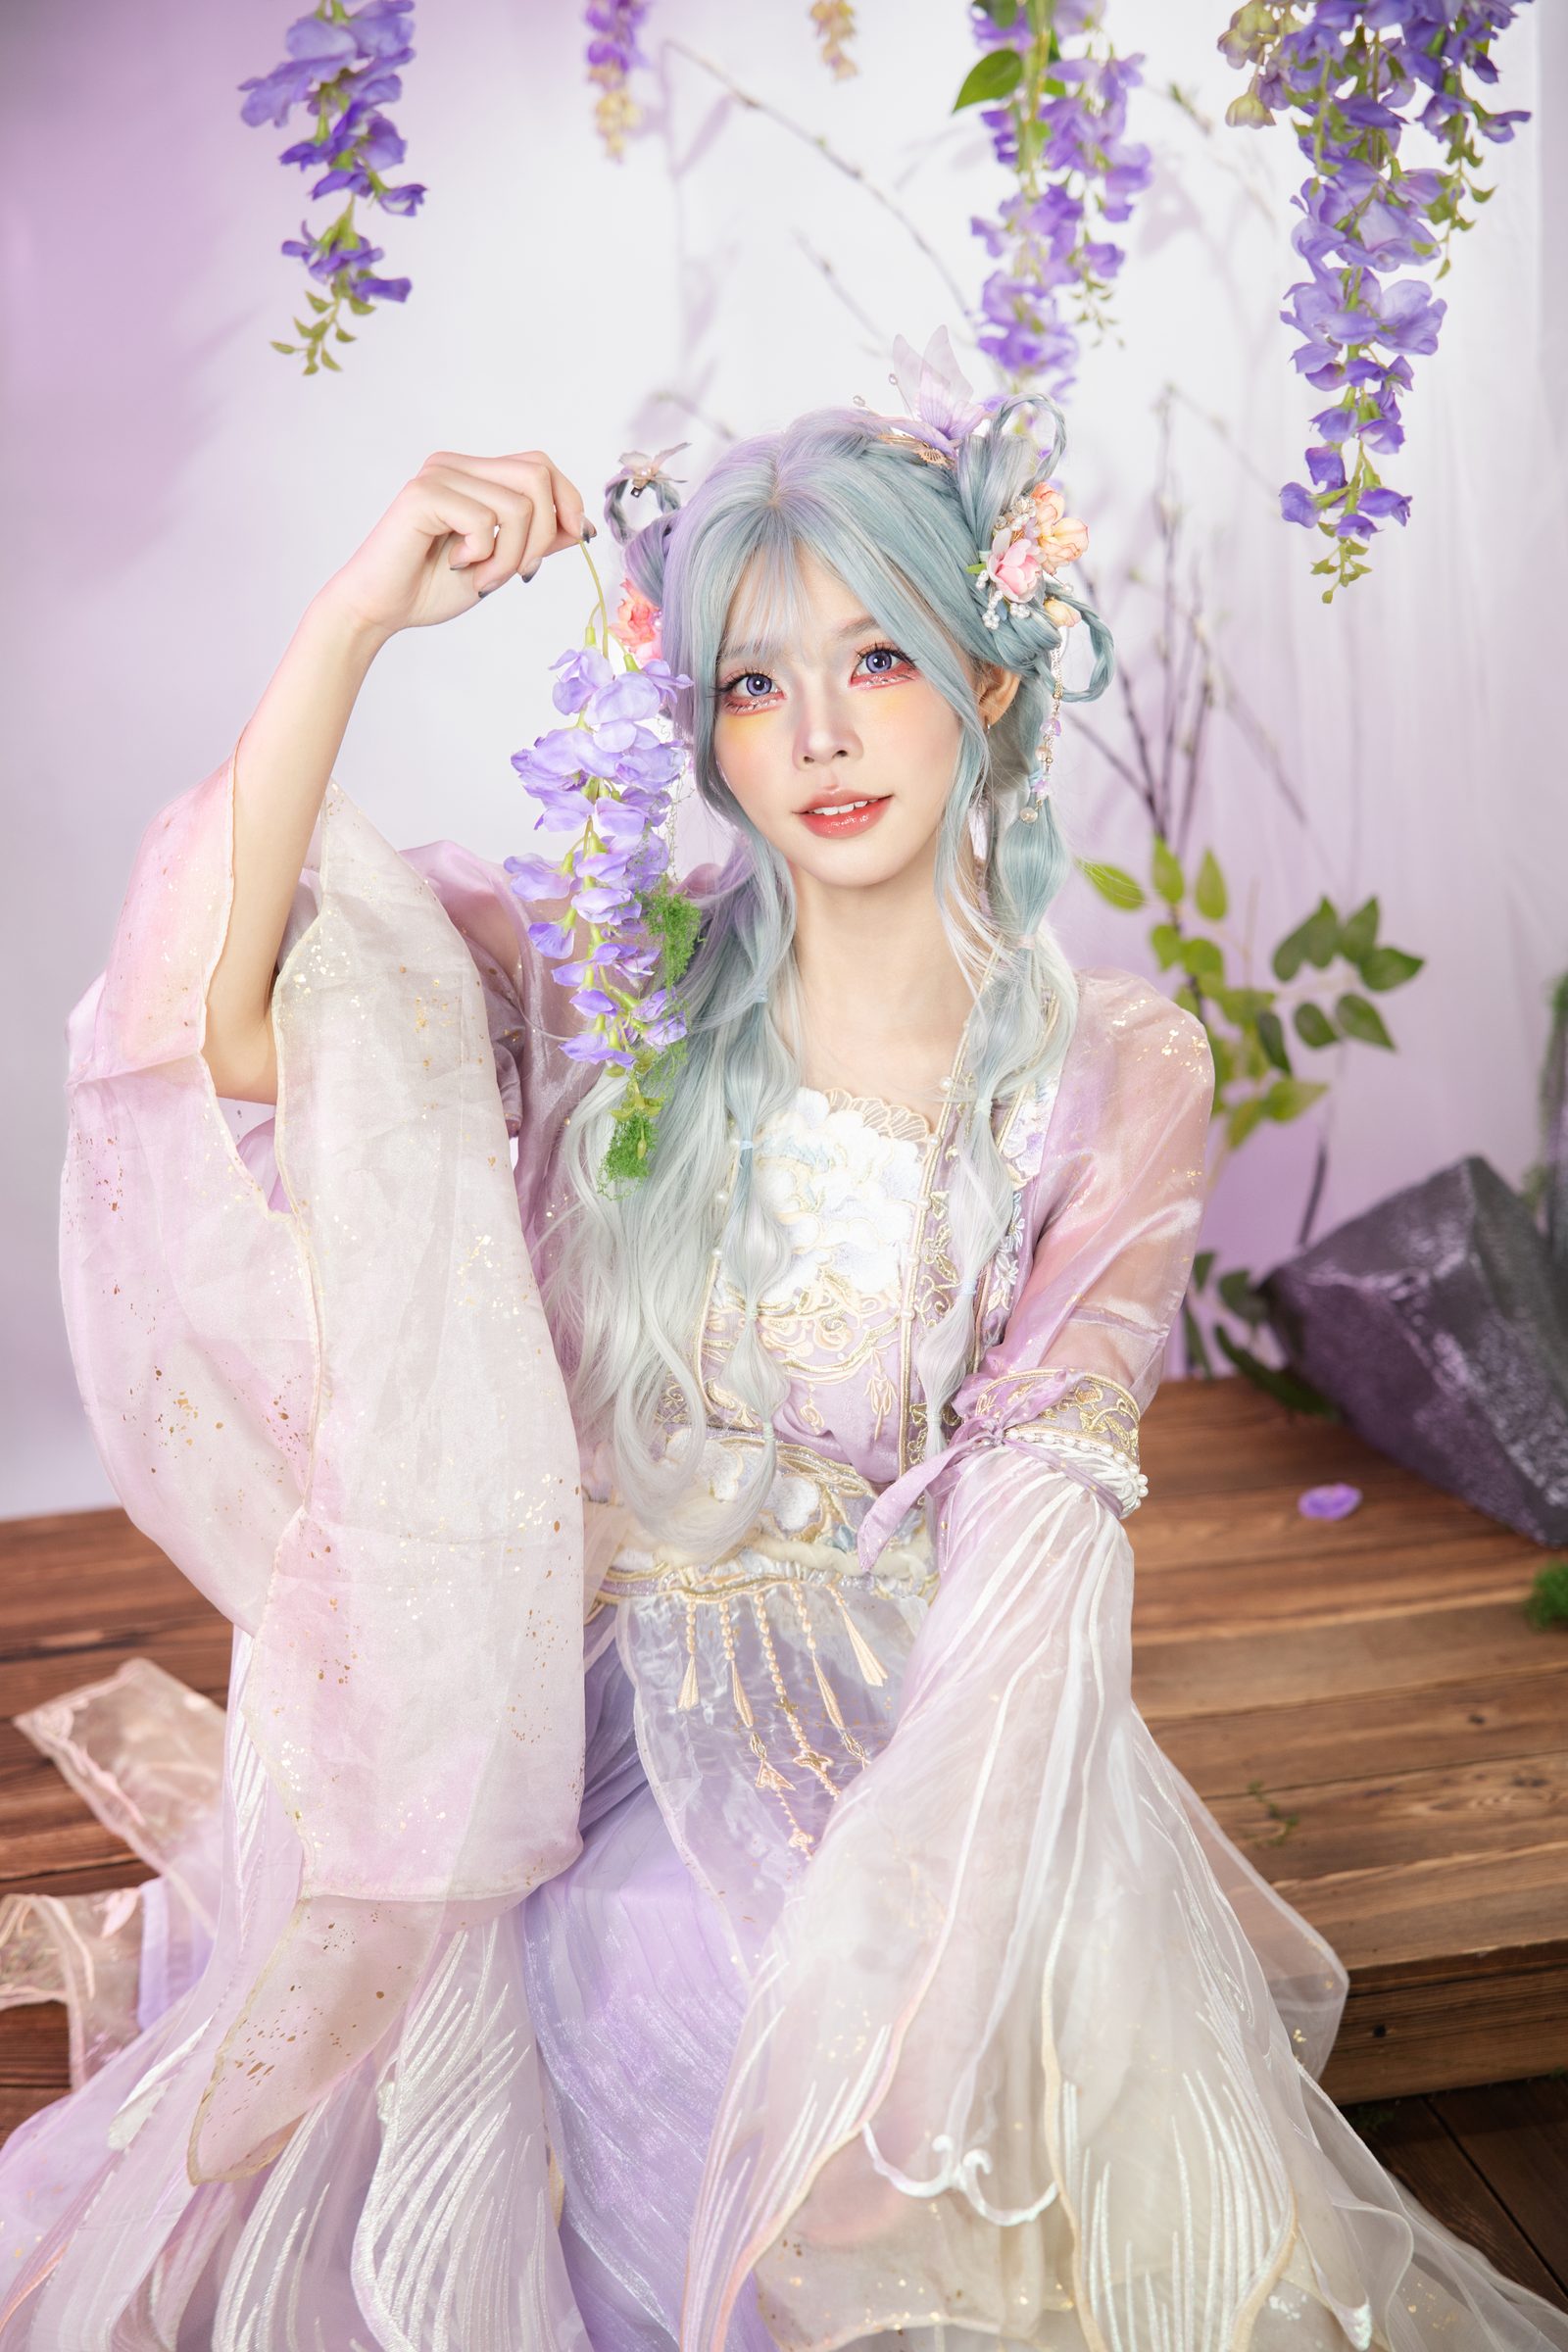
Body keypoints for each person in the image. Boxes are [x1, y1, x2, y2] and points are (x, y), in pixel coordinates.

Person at [1, 336, 1563, 2352]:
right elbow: (219, 1032)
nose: (818, 731)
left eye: (877, 656)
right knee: (641, 1947)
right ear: (707, 737)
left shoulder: (1108, 1070)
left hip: (915, 1700)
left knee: (837, 1985)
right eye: (752, 683)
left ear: (989, 678)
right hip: (566, 1700)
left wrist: (939, 1885)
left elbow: (1042, 1502)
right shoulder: (611, 979)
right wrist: (351, 619)